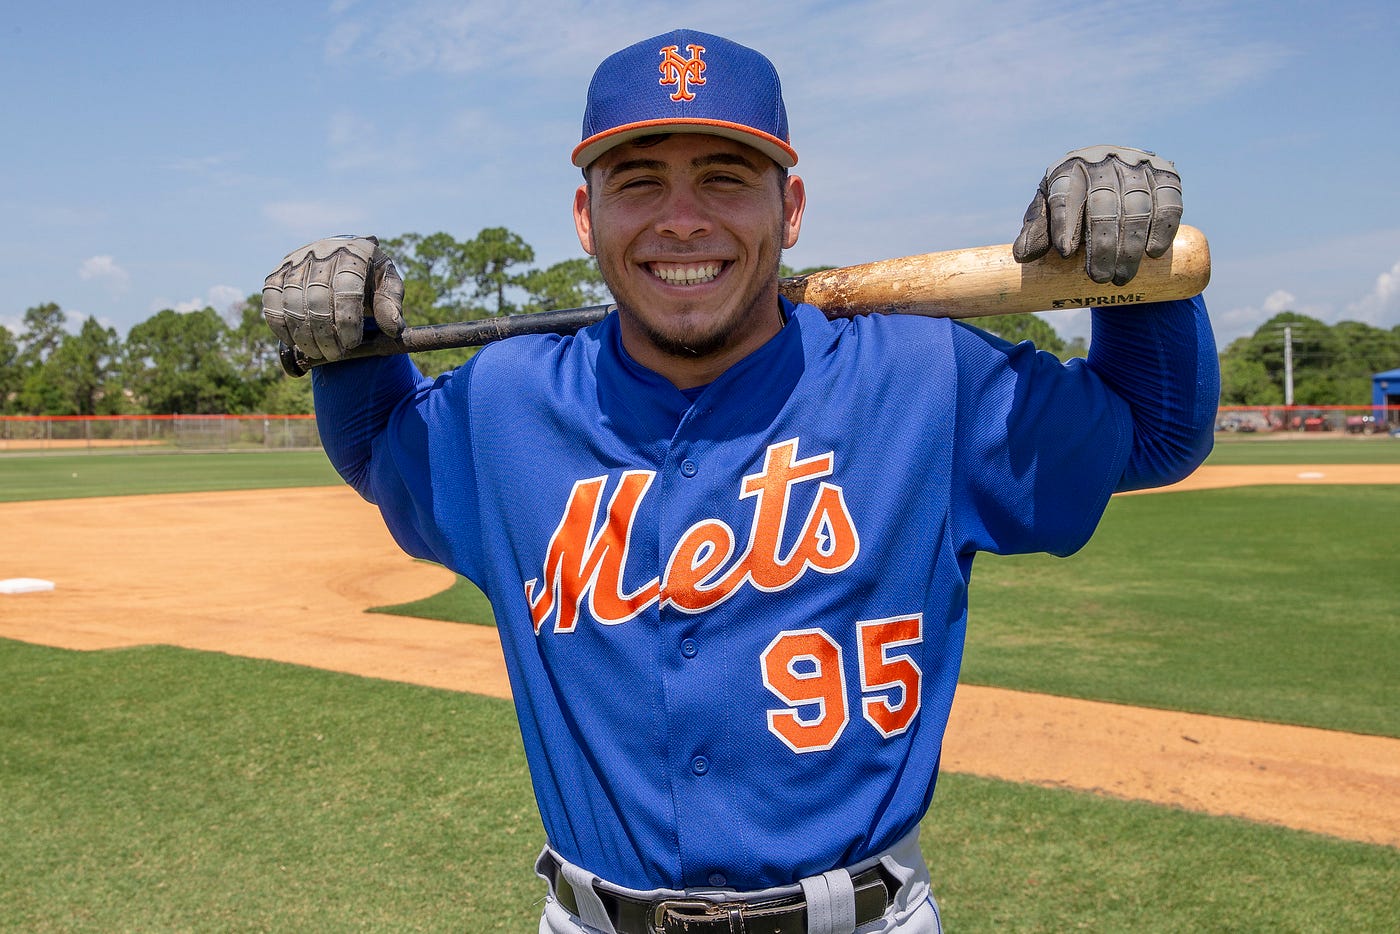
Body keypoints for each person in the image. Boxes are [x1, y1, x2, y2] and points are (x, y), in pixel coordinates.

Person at [263, 28, 1218, 934]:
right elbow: (381, 448)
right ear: (586, 217)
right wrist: (348, 346)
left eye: (726, 177)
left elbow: (1156, 434)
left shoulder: (924, 377)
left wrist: (1131, 281)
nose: (684, 218)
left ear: (790, 210)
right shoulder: (507, 403)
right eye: (639, 183)